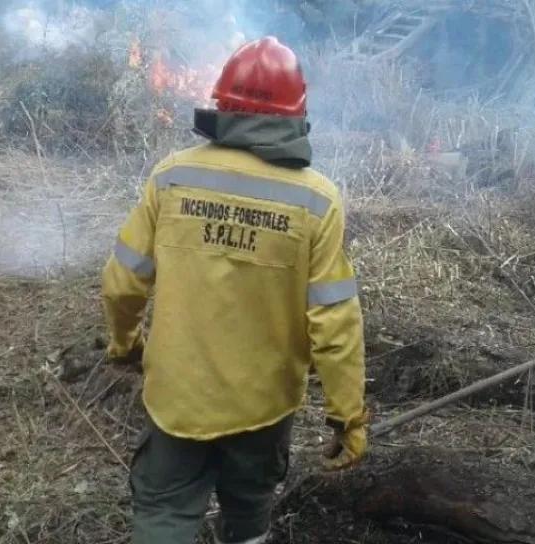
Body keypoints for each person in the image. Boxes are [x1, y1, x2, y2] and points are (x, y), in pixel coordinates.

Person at [101, 36, 369, 544]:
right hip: (262, 405)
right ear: (296, 115)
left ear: (222, 103)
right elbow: (334, 321)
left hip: (177, 396)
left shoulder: (174, 175)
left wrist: (125, 343)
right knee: (248, 519)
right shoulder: (316, 201)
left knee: (164, 514)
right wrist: (347, 415)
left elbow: (123, 281)